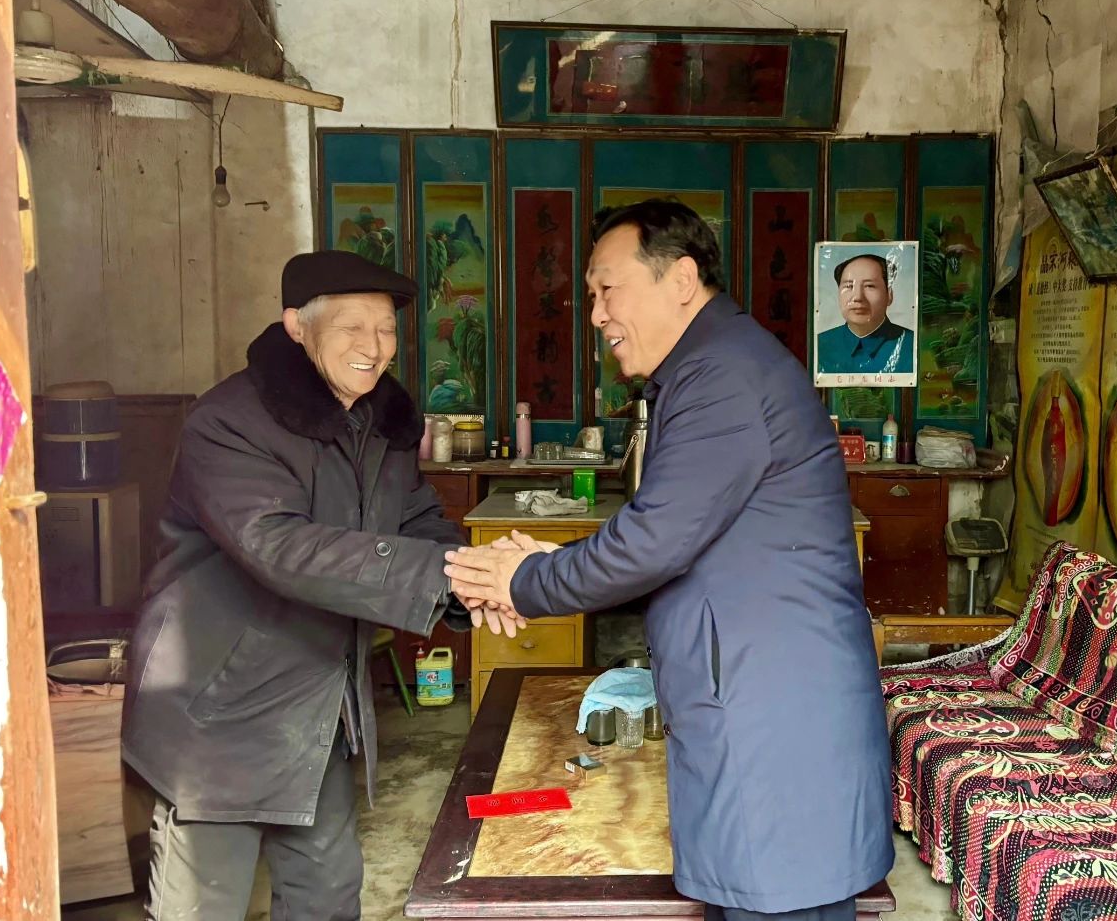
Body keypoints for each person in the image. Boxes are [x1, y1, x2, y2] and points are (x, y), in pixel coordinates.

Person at [445, 201, 894, 921]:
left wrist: (522, 581)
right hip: (756, 709)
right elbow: (674, 541)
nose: (597, 313)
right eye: (591, 295)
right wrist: (546, 567)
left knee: (777, 902)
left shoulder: (722, 377)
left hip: (774, 729)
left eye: (607, 289)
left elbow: (654, 542)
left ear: (681, 279)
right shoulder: (712, 367)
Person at [120, 251, 516, 920]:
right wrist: (445, 574)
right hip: (217, 715)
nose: (374, 347)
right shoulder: (230, 422)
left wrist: (470, 578)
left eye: (385, 328)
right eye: (352, 327)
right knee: (202, 909)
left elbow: (415, 519)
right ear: (297, 327)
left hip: (319, 714)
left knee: (328, 898)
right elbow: (278, 546)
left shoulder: (381, 425)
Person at [815, 252, 914, 375]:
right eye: (849, 286)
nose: (857, 297)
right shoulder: (819, 345)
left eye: (869, 286)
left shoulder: (912, 345)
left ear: (889, 295)